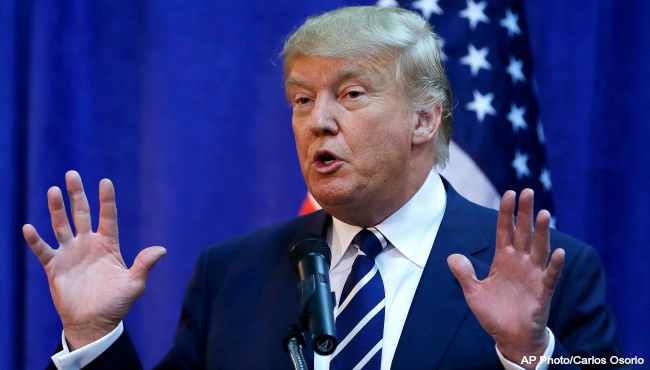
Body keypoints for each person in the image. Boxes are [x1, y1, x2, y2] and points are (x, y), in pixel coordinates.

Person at [23, 6, 620, 370]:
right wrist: (93, 336)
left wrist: (528, 356)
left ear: (424, 118)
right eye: (302, 99)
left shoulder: (549, 273)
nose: (318, 121)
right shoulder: (233, 274)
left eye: (352, 94)